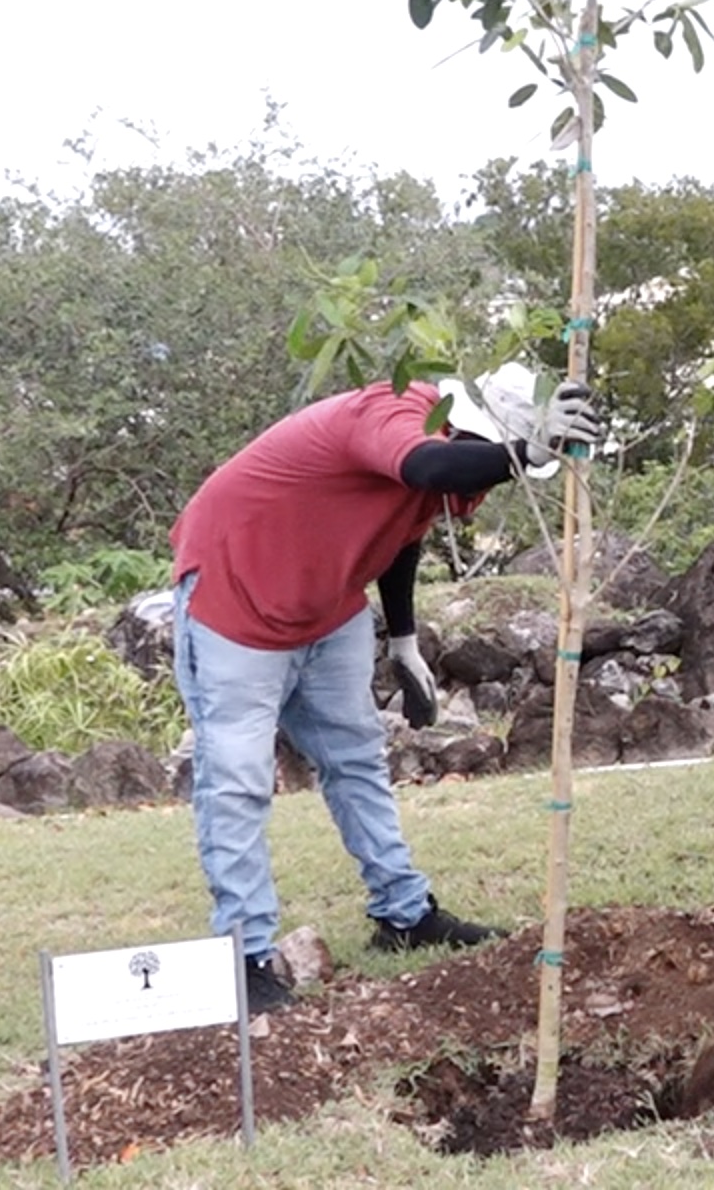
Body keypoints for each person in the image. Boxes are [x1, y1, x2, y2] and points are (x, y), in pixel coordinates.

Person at [170, 363, 601, 1013]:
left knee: (359, 759)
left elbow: (402, 531)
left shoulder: (435, 460)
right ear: (466, 428)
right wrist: (527, 451)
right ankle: (243, 955)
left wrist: (402, 638)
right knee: (237, 780)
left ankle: (404, 914)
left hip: (330, 607)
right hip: (237, 598)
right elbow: (427, 469)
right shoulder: (396, 411)